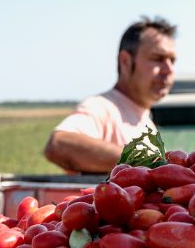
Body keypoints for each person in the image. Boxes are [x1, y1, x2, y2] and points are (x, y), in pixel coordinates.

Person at [43, 16, 177, 173]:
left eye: (172, 60)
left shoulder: (145, 120)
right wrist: (144, 162)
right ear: (126, 61)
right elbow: (59, 145)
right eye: (157, 59)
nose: (168, 70)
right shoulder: (102, 107)